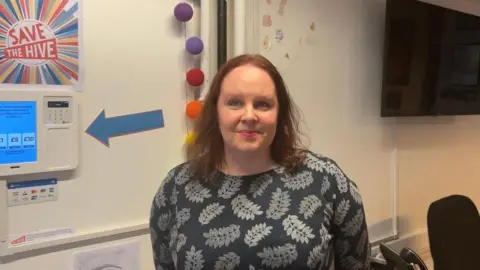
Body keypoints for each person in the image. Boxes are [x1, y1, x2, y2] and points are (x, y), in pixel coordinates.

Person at [149, 54, 371, 269]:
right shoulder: (177, 186)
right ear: (216, 111)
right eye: (234, 103)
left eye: (262, 104)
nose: (249, 116)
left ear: (279, 114)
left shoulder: (325, 179)